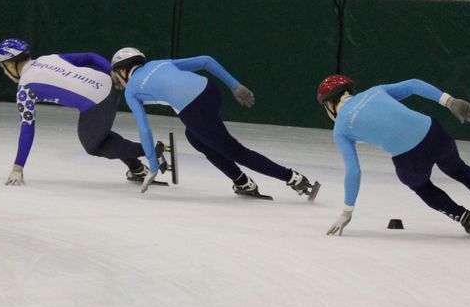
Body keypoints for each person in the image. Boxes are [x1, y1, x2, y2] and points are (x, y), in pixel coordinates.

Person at [316, 74, 470, 237]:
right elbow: (414, 84)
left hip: (409, 158)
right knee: (459, 169)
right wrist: (450, 101)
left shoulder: (341, 129)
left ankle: (466, 218)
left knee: (421, 186)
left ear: (330, 104)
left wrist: (347, 210)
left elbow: (353, 170)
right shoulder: (375, 91)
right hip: (435, 133)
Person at [110, 47, 318, 199]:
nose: (119, 82)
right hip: (210, 91)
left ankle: (292, 178)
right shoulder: (158, 63)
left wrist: (153, 166)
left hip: (193, 109)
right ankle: (242, 182)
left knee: (234, 151)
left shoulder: (131, 91)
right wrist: (235, 86)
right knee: (197, 139)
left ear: (121, 70)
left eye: (117, 77)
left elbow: (144, 129)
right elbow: (205, 61)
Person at [0, 38, 149, 186]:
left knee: (94, 146)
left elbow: (27, 128)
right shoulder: (48, 58)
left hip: (97, 103)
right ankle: (137, 169)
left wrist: (18, 167)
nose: (5, 72)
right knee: (102, 136)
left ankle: (152, 149)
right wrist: (114, 74)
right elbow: (91, 57)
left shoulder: (24, 89)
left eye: (3, 67)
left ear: (10, 63)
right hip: (110, 82)